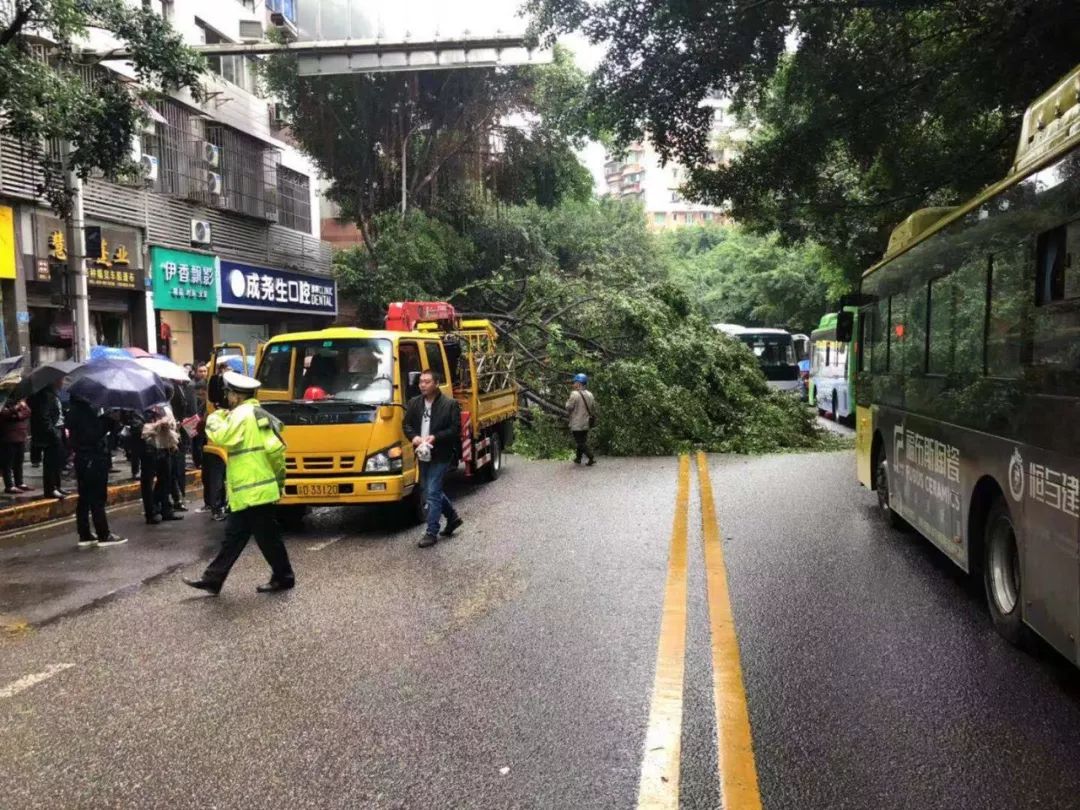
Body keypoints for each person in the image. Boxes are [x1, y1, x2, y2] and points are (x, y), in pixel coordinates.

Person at [184, 371, 294, 595]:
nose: (227, 397)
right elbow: (276, 452)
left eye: (229, 393)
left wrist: (214, 417)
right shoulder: (257, 413)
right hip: (256, 491)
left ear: (236, 395)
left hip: (253, 491)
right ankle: (214, 578)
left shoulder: (243, 415)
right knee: (240, 537)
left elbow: (224, 438)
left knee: (261, 538)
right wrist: (279, 481)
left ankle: (283, 576)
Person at [403, 369, 463, 548]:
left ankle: (431, 532)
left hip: (441, 454)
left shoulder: (449, 404)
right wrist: (413, 437)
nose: (423, 384)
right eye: (421, 381)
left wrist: (435, 437)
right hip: (422, 454)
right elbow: (406, 424)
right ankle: (452, 518)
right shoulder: (414, 403)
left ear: (436, 384)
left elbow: (454, 429)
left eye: (427, 382)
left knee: (432, 491)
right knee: (431, 490)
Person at [67, 394, 127, 549]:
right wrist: (108, 421)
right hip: (92, 458)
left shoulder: (75, 410)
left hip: (83, 458)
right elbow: (92, 435)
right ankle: (103, 533)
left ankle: (85, 532)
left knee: (85, 497)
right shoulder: (84, 411)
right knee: (97, 496)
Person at [136, 391, 181, 525]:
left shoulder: (163, 408)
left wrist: (170, 427)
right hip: (148, 450)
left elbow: (172, 426)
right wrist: (157, 424)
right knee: (147, 483)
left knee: (166, 480)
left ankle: (165, 509)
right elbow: (139, 429)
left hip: (164, 448)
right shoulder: (140, 408)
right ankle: (151, 512)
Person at [29, 380, 67, 498]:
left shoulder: (54, 395)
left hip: (59, 430)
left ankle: (57, 486)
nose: (63, 382)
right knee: (50, 463)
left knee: (58, 462)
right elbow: (44, 417)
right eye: (61, 380)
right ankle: (50, 489)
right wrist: (54, 432)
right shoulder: (45, 396)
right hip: (51, 435)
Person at [0, 397, 32, 494]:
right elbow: (3, 414)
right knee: (8, 463)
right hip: (8, 435)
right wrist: (17, 408)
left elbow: (28, 412)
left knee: (19, 461)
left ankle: (20, 482)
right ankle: (9, 485)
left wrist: (16, 415)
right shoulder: (3, 400)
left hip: (21, 435)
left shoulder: (20, 399)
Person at [566, 372, 597, 466]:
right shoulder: (590, 394)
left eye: (575, 382)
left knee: (580, 442)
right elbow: (593, 407)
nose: (573, 384)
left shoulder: (574, 394)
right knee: (582, 441)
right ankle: (578, 458)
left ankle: (591, 457)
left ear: (579, 383)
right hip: (586, 423)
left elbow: (569, 407)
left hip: (577, 423)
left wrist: (567, 402)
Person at [191, 363, 209, 468]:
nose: (200, 395)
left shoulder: (210, 405)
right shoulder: (192, 385)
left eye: (204, 371)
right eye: (200, 371)